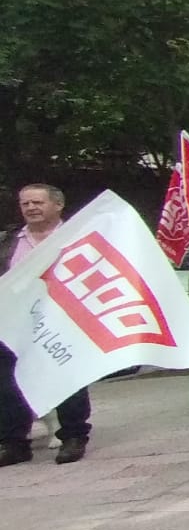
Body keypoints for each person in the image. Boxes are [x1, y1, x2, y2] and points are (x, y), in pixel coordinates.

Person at [0, 183, 88, 465]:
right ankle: (14, 442)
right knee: (10, 383)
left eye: (37, 202)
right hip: (17, 324)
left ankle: (73, 436)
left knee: (67, 377)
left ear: (58, 205)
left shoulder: (78, 237)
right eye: (25, 203)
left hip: (64, 320)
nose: (30, 208)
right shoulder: (10, 241)